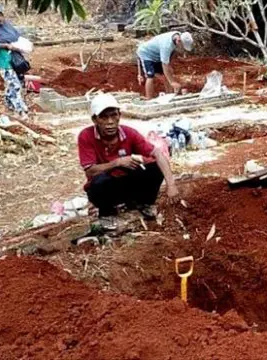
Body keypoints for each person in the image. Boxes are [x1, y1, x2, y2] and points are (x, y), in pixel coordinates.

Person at [78, 93, 179, 229]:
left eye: (114, 115)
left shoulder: (129, 133)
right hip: (106, 188)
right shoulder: (86, 136)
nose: (110, 122)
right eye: (104, 117)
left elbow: (158, 153)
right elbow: (90, 171)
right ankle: (107, 213)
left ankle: (144, 203)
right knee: (99, 181)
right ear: (95, 120)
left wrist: (171, 185)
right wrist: (117, 162)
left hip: (128, 184)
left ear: (119, 115)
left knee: (154, 168)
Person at [0, 5, 28, 119]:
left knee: (13, 84)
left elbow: (16, 37)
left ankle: (8, 105)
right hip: (3, 62)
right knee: (15, 85)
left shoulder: (7, 26)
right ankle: (20, 110)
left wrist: (21, 46)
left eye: (0, 15)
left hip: (15, 60)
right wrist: (5, 45)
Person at [137, 31, 194, 99]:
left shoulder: (177, 35)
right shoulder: (166, 46)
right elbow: (164, 65)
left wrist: (169, 68)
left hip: (157, 55)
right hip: (146, 54)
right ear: (178, 41)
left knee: (167, 74)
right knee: (150, 75)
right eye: (182, 46)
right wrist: (172, 82)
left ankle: (169, 95)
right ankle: (149, 97)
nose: (181, 48)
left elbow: (170, 57)